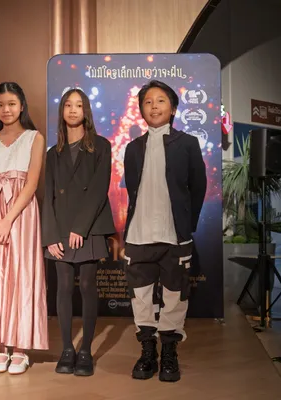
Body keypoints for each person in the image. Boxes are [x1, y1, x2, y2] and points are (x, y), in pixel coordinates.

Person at [123, 80, 206, 382]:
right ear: (141, 109)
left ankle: (169, 353)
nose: (154, 106)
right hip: (139, 235)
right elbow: (132, 190)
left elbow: (198, 188)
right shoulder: (133, 148)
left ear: (172, 108)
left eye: (160, 101)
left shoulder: (188, 143)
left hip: (175, 236)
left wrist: (187, 225)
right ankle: (148, 352)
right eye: (148, 102)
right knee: (141, 297)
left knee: (175, 296)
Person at [42, 88, 115, 376]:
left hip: (90, 226)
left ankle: (85, 350)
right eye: (68, 105)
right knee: (62, 288)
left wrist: (80, 228)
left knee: (86, 286)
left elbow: (98, 190)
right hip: (60, 228)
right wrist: (50, 236)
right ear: (62, 111)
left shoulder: (101, 146)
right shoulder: (53, 153)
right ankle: (66, 350)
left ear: (86, 111)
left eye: (79, 105)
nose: (73, 110)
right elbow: (47, 196)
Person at [0, 82, 48, 375]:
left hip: (21, 214)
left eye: (11, 104)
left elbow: (31, 183)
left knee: (21, 275)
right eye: (0, 105)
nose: (6, 110)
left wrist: (8, 219)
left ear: (21, 105)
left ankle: (20, 347)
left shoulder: (34, 138)